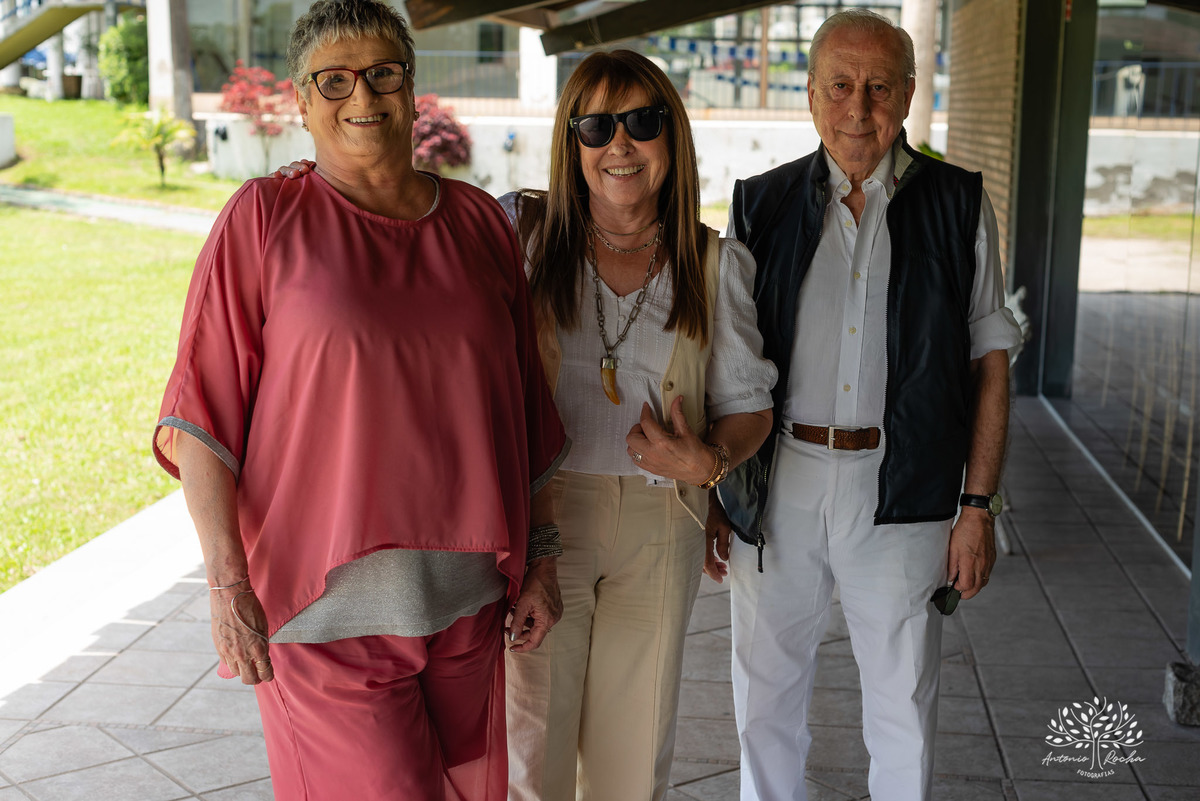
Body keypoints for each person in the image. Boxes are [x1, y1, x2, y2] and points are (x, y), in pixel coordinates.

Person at [152, 2, 566, 799]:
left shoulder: (481, 224)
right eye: (333, 80)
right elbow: (202, 420)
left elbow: (525, 409)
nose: (362, 97)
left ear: (413, 90)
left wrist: (542, 562)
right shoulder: (265, 220)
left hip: (467, 608)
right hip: (321, 619)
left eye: (383, 73)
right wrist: (228, 588)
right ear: (302, 102)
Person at [711, 9, 1022, 801]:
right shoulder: (761, 204)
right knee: (764, 700)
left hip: (903, 486)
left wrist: (977, 506)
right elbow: (726, 362)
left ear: (909, 94)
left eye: (879, 87)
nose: (860, 108)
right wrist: (722, 489)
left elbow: (991, 364)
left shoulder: (958, 207)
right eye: (841, 86)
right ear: (811, 95)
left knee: (904, 706)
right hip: (782, 480)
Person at [499, 50, 776, 801]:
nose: (618, 144)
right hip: (546, 523)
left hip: (662, 524)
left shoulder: (713, 262)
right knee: (534, 753)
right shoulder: (522, 239)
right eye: (596, 125)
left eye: (642, 122)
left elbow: (752, 405)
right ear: (572, 142)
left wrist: (712, 462)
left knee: (633, 758)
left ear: (672, 138)